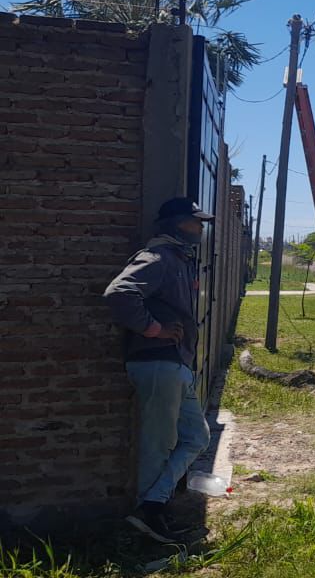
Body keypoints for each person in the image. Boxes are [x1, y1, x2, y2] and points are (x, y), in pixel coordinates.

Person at [104, 197, 214, 543]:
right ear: (176, 223)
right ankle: (149, 518)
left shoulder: (179, 259)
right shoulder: (158, 257)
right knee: (159, 445)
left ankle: (151, 505)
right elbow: (119, 294)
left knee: (197, 437)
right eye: (194, 222)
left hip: (174, 363)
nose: (200, 228)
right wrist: (155, 329)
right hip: (156, 362)